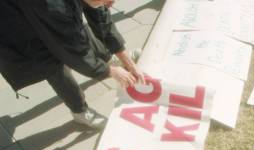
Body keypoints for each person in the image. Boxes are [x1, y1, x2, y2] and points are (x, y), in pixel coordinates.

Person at [0, 0, 145, 129]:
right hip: (15, 21)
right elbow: (71, 48)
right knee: (51, 62)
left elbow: (99, 14)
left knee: (76, 19)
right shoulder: (52, 7)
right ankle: (79, 111)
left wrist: (126, 60)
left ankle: (108, 59)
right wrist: (108, 71)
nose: (111, 4)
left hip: (47, 9)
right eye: (108, 1)